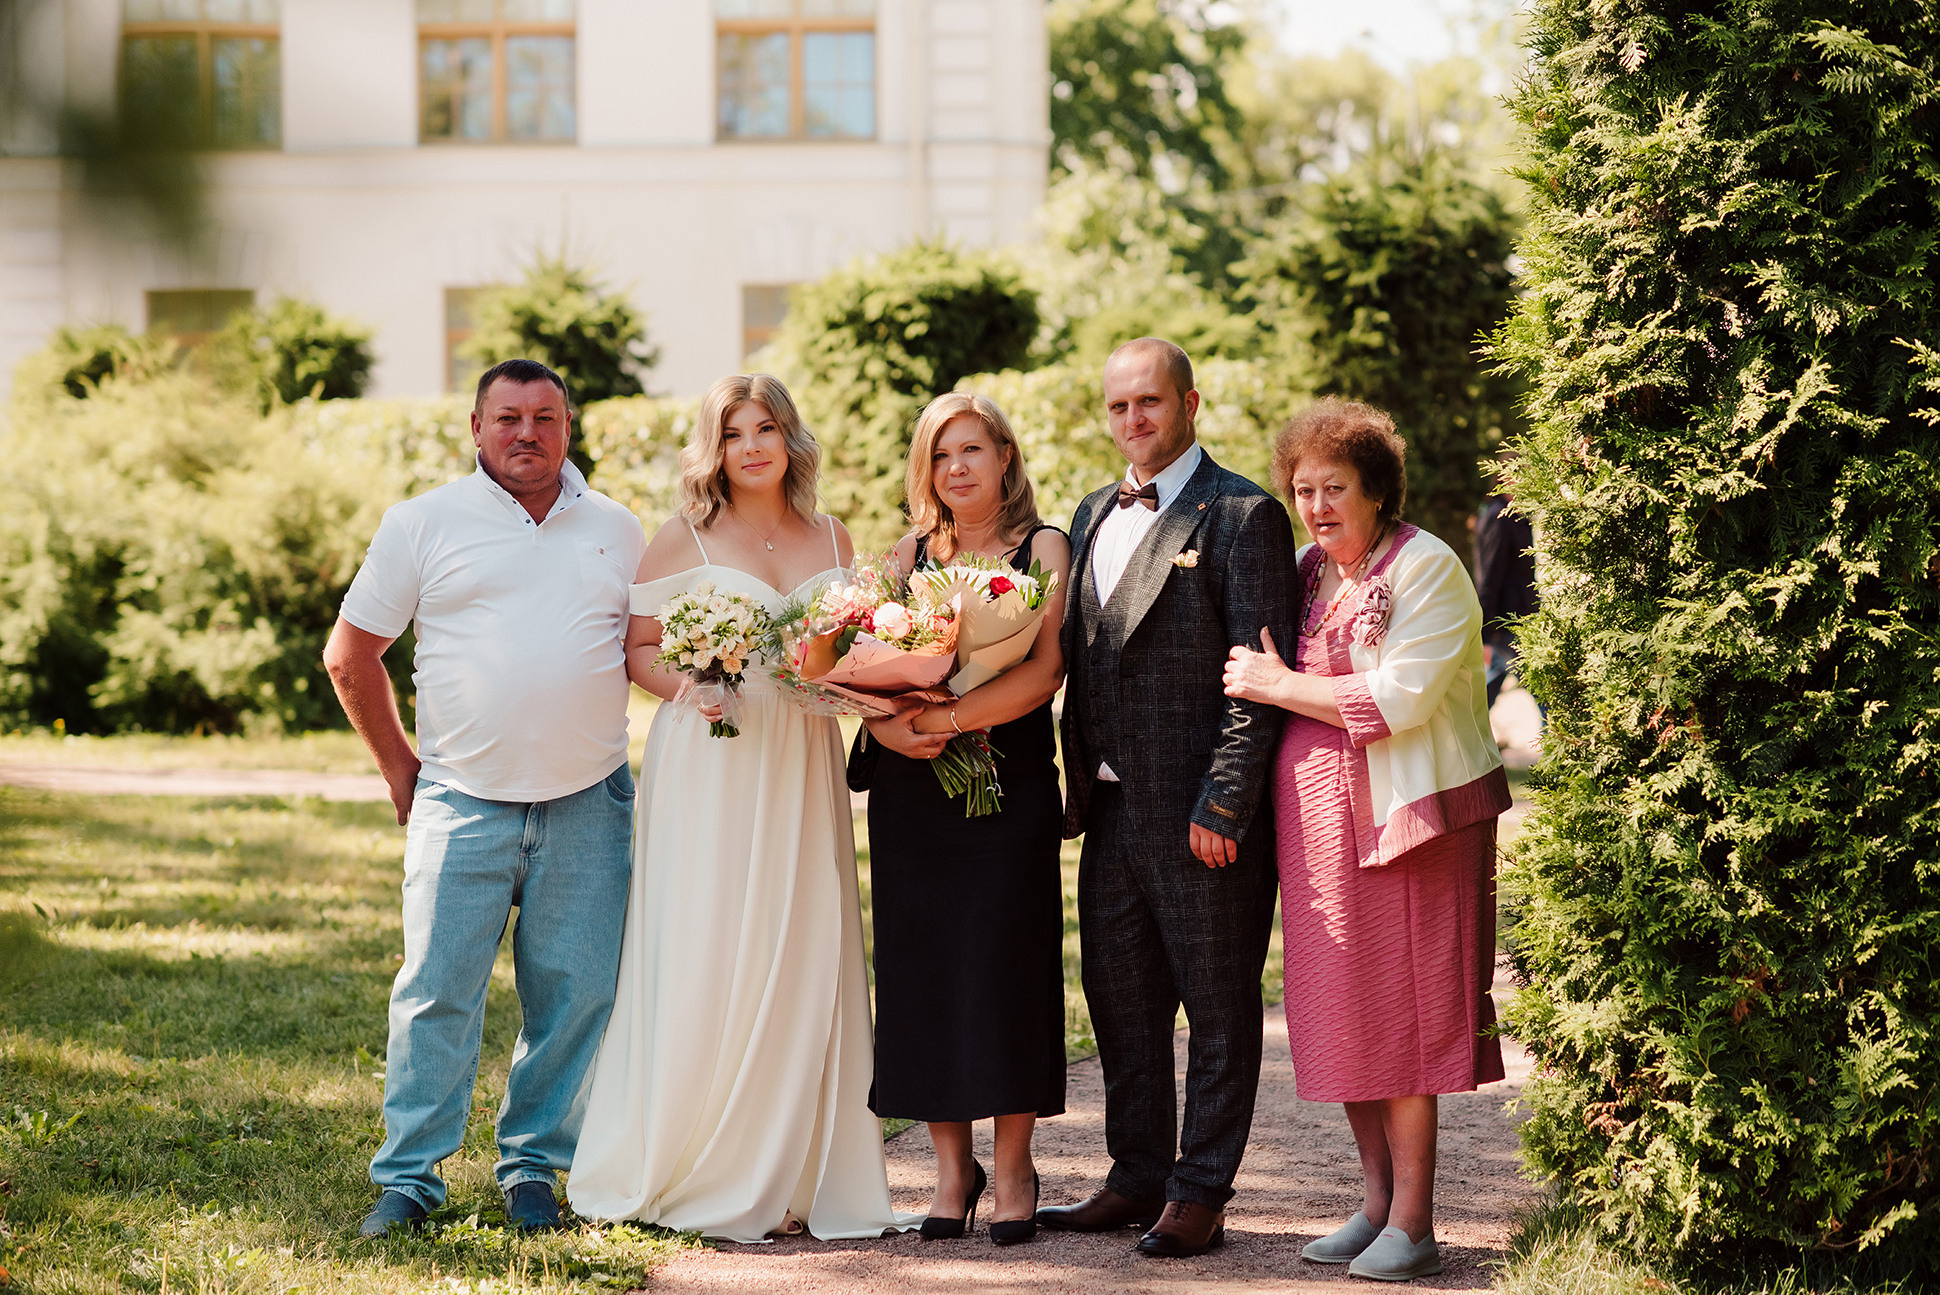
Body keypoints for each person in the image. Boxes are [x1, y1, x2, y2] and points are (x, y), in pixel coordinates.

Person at [565, 374, 915, 1242]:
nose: (752, 445)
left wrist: (857, 686)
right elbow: (637, 649)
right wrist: (690, 685)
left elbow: (858, 646)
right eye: (733, 432)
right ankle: (702, 1155)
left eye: (766, 427)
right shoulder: (681, 536)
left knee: (802, 937)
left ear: (791, 438)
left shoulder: (834, 534)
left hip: (802, 758)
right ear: (713, 448)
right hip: (711, 764)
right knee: (709, 936)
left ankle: (798, 1166)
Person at [323, 358, 646, 1237]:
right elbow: (351, 655)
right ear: (476, 428)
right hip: (461, 800)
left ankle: (534, 1167)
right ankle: (410, 1179)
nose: (527, 432)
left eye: (545, 416)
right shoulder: (423, 522)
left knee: (575, 993)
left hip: (589, 801)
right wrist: (402, 769)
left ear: (568, 428)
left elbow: (646, 652)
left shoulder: (620, 529)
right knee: (435, 992)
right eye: (508, 417)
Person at [1222, 397, 1510, 1282]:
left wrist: (1276, 682)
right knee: (1340, 1012)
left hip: (1409, 822)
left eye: (1334, 486)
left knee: (1407, 1016)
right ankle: (1377, 1204)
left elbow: (1398, 700)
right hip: (1316, 826)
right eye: (1302, 487)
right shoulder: (1308, 570)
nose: (1314, 505)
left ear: (1377, 489)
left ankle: (1416, 1223)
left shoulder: (1428, 568)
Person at [1036, 338, 1296, 1259]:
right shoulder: (1089, 511)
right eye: (1118, 407)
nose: (1134, 421)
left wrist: (1225, 803)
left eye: (1150, 402)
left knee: (1219, 1007)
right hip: (1105, 811)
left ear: (1191, 401)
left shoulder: (1243, 515)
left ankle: (1200, 1190)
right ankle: (1136, 1172)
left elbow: (1260, 677)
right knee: (1121, 1001)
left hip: (1200, 818)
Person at [858, 392, 1071, 1245]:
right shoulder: (904, 552)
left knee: (1007, 964)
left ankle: (1014, 1165)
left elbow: (1047, 667)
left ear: (1006, 458)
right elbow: (859, 660)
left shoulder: (1042, 546)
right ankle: (954, 1171)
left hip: (1007, 782)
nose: (958, 468)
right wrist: (883, 723)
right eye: (942, 454)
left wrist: (944, 720)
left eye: (973, 449)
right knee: (926, 971)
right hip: (913, 793)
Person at [1472, 490, 1537, 707]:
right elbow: (1489, 574)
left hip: (1521, 619)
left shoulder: (1517, 517)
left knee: (1484, 695)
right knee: (1546, 694)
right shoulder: (1498, 517)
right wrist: (1485, 634)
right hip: (1506, 623)